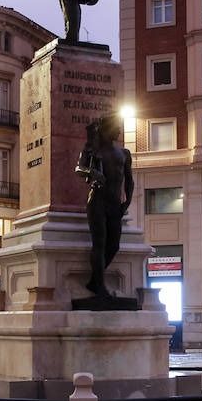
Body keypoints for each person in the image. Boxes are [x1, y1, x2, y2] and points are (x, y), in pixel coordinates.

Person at [75, 115, 134, 298]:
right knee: (99, 244)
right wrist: (92, 172)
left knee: (114, 245)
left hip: (115, 203)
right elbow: (79, 168)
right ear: (107, 129)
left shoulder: (124, 153)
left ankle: (95, 280)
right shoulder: (93, 149)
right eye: (116, 127)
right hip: (97, 199)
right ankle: (99, 286)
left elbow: (129, 180)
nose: (119, 130)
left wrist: (128, 201)